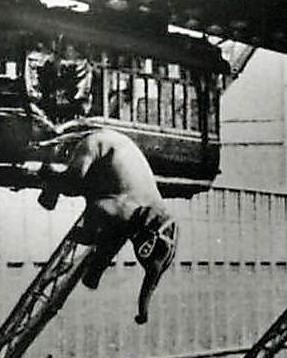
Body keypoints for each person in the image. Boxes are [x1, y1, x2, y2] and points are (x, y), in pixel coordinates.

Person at [32, 126, 179, 323]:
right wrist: (89, 235)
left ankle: (93, 272)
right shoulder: (130, 210)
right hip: (99, 148)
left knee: (115, 229)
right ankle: (49, 175)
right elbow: (99, 208)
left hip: (110, 161)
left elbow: (117, 232)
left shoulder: (146, 210)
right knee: (74, 183)